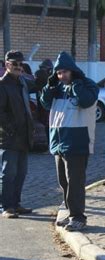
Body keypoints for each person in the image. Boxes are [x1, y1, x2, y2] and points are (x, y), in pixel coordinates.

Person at [40, 51, 99, 231]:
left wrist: (76, 85)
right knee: (63, 182)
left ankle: (78, 216)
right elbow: (45, 103)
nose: (61, 76)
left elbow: (86, 101)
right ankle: (70, 212)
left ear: (73, 70)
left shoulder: (87, 85)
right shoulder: (56, 87)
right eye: (58, 73)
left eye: (65, 72)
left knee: (75, 182)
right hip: (58, 141)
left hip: (78, 141)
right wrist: (49, 88)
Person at [0, 50, 36, 218]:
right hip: (9, 138)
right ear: (7, 65)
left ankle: (16, 203)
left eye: (21, 64)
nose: (19, 67)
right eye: (15, 64)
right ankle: (6, 207)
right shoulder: (2, 84)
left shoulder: (22, 82)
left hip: (24, 136)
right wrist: (11, 129)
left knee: (21, 173)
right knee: (8, 174)